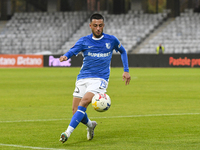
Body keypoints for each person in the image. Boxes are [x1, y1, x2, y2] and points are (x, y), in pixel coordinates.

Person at [59, 13, 131, 143]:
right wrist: (66, 56)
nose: (98, 28)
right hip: (83, 78)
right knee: (75, 111)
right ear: (90, 26)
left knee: (85, 102)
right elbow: (73, 50)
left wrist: (126, 70)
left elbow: (123, 51)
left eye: (100, 25)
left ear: (103, 25)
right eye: (95, 25)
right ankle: (91, 125)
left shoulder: (111, 40)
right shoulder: (84, 41)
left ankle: (67, 132)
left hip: (100, 79)